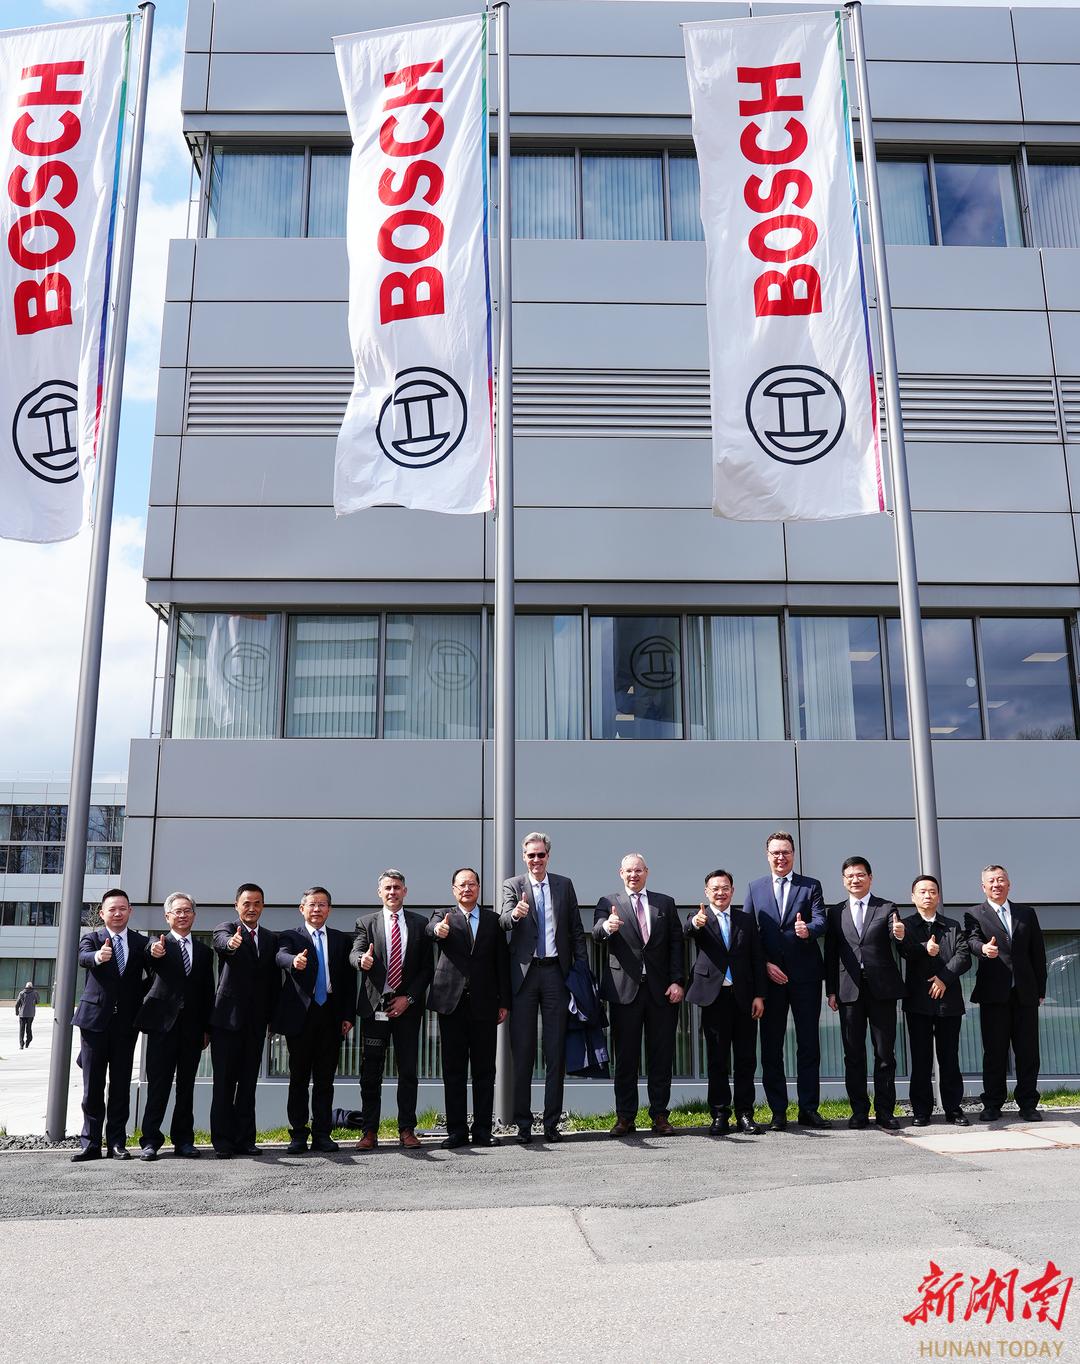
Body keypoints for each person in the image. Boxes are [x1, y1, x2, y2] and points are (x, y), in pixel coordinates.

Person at [500, 831, 587, 1144]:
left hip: (555, 975)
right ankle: (523, 1124)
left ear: (548, 856)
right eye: (530, 855)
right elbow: (503, 921)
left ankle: (551, 1123)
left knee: (555, 1052)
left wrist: (580, 970)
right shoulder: (513, 885)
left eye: (541, 854)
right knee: (522, 1053)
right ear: (524, 857)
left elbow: (576, 930)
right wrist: (515, 914)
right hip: (524, 976)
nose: (536, 860)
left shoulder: (564, 884)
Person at [593, 852, 684, 1136]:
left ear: (647, 872)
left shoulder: (665, 903)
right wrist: (607, 927)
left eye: (638, 870)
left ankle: (660, 1115)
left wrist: (677, 981)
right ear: (620, 873)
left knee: (661, 1056)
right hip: (625, 992)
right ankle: (625, 1117)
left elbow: (676, 945)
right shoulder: (608, 902)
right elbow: (596, 933)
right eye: (629, 871)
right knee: (626, 1058)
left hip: (661, 992)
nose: (634, 875)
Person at [741, 831, 826, 1129]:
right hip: (770, 980)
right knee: (771, 1046)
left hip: (806, 977)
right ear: (767, 856)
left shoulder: (810, 885)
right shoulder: (754, 888)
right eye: (775, 852)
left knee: (808, 1045)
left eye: (786, 852)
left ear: (793, 854)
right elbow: (747, 933)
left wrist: (808, 930)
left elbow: (821, 920)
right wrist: (764, 965)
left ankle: (808, 1109)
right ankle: (778, 1111)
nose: (781, 857)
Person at [427, 867, 510, 1148]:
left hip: (485, 1004)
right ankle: (456, 1131)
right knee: (454, 1070)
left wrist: (504, 1001)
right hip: (451, 1004)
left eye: (472, 884)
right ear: (454, 889)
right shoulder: (443, 915)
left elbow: (502, 963)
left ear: (478, 888)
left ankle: (483, 1130)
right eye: (461, 885)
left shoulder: (493, 920)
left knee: (484, 1070)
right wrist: (438, 930)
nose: (467, 889)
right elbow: (431, 931)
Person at [351, 869, 433, 1150]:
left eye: (397, 887)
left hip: (407, 1009)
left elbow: (426, 969)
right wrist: (361, 960)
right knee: (370, 1073)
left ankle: (407, 1129)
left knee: (407, 1071)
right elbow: (355, 952)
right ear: (379, 892)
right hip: (376, 1008)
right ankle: (369, 1132)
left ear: (405, 891)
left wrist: (408, 998)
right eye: (387, 888)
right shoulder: (366, 923)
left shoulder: (420, 924)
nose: (392, 892)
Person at [273, 886, 356, 1154]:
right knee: (298, 1078)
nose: (317, 909)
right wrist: (293, 961)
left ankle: (322, 1133)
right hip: (301, 1015)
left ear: (329, 909)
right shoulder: (291, 936)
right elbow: (280, 956)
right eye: (312, 904)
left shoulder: (341, 939)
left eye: (322, 904)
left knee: (324, 1079)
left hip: (330, 1014)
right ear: (302, 909)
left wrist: (348, 1015)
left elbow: (348, 981)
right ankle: (298, 1134)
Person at [825, 857, 906, 1131]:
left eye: (860, 875)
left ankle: (885, 1111)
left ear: (870, 877)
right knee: (853, 1054)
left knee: (884, 1053)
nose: (855, 880)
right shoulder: (835, 912)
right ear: (843, 880)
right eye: (849, 876)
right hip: (848, 990)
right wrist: (831, 990)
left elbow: (896, 936)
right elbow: (831, 953)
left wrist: (899, 934)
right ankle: (859, 1111)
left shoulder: (886, 907)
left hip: (881, 989)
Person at [685, 870, 767, 1136]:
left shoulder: (745, 919)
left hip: (744, 998)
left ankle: (745, 1114)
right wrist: (696, 922)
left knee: (746, 1059)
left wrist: (759, 995)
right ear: (706, 892)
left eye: (725, 888)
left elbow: (757, 958)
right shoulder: (700, 917)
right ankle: (720, 1114)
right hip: (714, 998)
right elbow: (688, 930)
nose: (720, 893)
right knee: (717, 1059)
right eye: (715, 889)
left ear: (732, 891)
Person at [71, 888, 148, 1162]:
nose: (117, 913)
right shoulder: (92, 938)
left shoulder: (141, 942)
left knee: (120, 1085)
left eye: (122, 908)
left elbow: (153, 973)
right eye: (112, 909)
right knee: (92, 1086)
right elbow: (83, 957)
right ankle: (90, 1143)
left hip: (126, 1025)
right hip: (94, 1023)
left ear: (130, 911)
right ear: (102, 913)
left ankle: (117, 1142)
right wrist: (97, 957)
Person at [136, 892, 215, 1160]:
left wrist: (207, 1028)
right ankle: (150, 1140)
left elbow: (207, 991)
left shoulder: (204, 952)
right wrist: (153, 951)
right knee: (158, 1086)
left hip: (192, 1029)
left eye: (187, 910)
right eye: (177, 911)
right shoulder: (158, 944)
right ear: (167, 916)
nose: (182, 915)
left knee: (186, 1087)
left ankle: (183, 1140)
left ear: (194, 915)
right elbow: (148, 953)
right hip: (162, 1028)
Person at [966, 864, 1047, 1123]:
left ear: (1009, 884)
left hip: (1025, 993)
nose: (996, 884)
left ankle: (1028, 1104)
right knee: (994, 1052)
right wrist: (983, 949)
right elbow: (971, 940)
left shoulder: (1026, 913)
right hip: (993, 994)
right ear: (983, 887)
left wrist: (1040, 989)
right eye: (991, 881)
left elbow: (1038, 953)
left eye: (1001, 880)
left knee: (1028, 1052)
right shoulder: (974, 914)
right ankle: (992, 1103)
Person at [209, 883, 280, 1158]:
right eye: (246, 903)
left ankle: (245, 1139)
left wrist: (272, 1018)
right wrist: (231, 943)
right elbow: (221, 943)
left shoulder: (270, 938)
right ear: (236, 905)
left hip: (256, 1022)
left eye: (257, 903)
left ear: (263, 906)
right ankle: (223, 1142)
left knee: (248, 1083)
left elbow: (273, 981)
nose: (252, 908)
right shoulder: (226, 928)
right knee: (224, 1083)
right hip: (227, 1021)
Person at [898, 873, 972, 1127]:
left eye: (932, 891)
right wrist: (924, 948)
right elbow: (904, 951)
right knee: (921, 1059)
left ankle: (953, 1109)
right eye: (922, 892)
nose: (927, 896)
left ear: (938, 896)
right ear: (913, 897)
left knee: (949, 1057)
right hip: (918, 1001)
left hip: (948, 1001)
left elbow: (964, 956)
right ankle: (921, 1111)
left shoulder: (952, 925)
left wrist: (943, 979)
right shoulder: (906, 926)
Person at [15, 980, 38, 1049]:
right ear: (32, 987)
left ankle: (21, 1044)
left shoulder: (21, 993)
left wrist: (17, 1012)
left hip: (22, 1014)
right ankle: (28, 1040)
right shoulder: (35, 993)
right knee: (29, 1028)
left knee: (22, 1029)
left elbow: (17, 1004)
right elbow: (37, 1002)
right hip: (31, 1014)